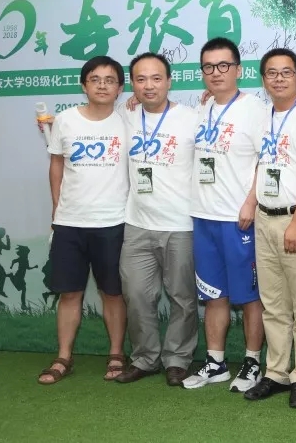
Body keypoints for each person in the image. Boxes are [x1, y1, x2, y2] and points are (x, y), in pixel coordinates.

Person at [181, 37, 266, 393]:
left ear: (238, 70)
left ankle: (252, 362)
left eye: (223, 66)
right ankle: (215, 363)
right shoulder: (201, 108)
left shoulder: (255, 109)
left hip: (239, 219)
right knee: (213, 294)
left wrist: (252, 201)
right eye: (208, 67)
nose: (216, 73)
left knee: (249, 296)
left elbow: (267, 159)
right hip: (203, 216)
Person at [38, 56, 129, 385]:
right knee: (70, 293)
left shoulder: (129, 120)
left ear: (120, 88)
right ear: (84, 85)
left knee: (112, 293)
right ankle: (63, 357)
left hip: (114, 222)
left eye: (109, 80)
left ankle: (116, 353)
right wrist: (56, 208)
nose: (102, 85)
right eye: (95, 79)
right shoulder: (65, 120)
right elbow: (56, 164)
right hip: (70, 223)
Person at [241, 48, 296, 408]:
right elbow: (262, 163)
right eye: (271, 73)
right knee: (273, 304)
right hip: (265, 218)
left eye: (286, 72)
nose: (279, 79)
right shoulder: (263, 117)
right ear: (263, 79)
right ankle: (276, 372)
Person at [114, 52, 200, 387]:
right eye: (141, 79)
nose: (148, 86)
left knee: (182, 298)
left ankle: (177, 359)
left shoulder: (192, 118)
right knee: (136, 295)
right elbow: (91, 125)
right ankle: (145, 358)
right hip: (136, 223)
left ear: (169, 81)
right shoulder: (124, 115)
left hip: (180, 224)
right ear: (132, 84)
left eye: (156, 78)